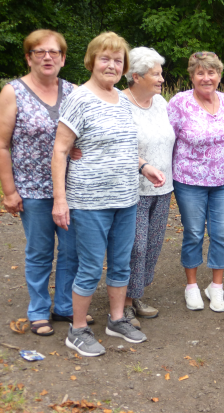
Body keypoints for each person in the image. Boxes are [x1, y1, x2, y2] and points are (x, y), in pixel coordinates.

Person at [52, 32, 164, 356]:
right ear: (91, 61)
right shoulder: (79, 98)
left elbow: (124, 147)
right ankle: (77, 329)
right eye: (105, 58)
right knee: (89, 266)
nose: (111, 65)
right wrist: (61, 200)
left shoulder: (121, 100)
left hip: (126, 199)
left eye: (118, 60)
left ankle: (116, 320)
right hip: (89, 202)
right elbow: (61, 150)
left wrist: (144, 167)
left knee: (120, 264)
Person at [70, 47, 175, 328]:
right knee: (134, 249)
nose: (162, 78)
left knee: (152, 247)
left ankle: (137, 294)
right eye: (156, 74)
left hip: (163, 187)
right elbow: (110, 141)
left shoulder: (161, 103)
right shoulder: (120, 103)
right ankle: (124, 304)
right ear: (137, 77)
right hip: (131, 188)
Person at [0, 29, 84, 336]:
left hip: (72, 188)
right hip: (33, 190)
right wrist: (9, 191)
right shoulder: (12, 92)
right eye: (39, 52)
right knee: (40, 251)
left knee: (72, 251)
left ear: (63, 58)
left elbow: (83, 132)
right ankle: (39, 309)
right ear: (28, 57)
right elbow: (0, 144)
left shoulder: (74, 92)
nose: (47, 57)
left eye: (53, 52)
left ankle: (66, 307)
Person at [166, 52, 224, 312]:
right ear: (192, 76)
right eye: (200, 73)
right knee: (194, 233)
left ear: (219, 75)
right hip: (189, 180)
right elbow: (167, 138)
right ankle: (192, 286)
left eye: (211, 72)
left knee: (221, 234)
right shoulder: (179, 102)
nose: (206, 78)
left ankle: (216, 288)